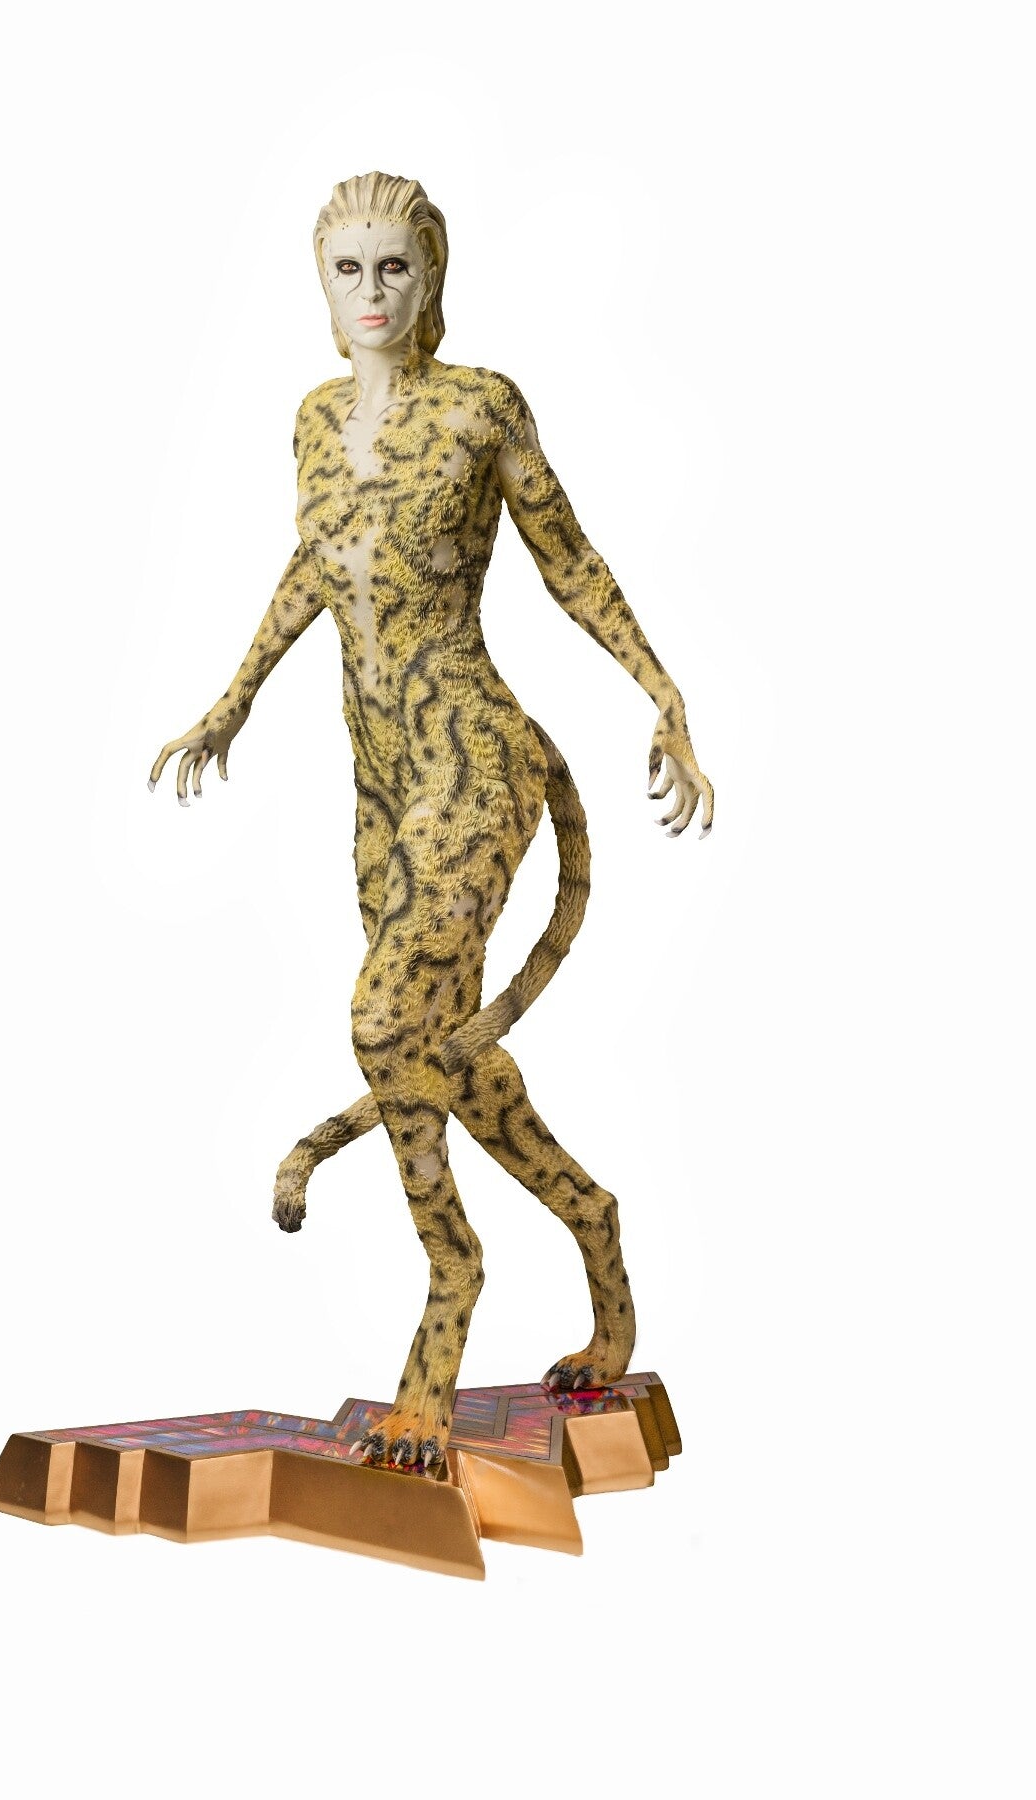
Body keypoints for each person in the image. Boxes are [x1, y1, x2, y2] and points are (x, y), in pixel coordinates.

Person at [150, 171, 713, 1474]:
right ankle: (592, 1223)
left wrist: (663, 694)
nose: (371, 293)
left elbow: (568, 555)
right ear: (319, 280)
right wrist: (232, 700)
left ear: (432, 276)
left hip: (475, 757)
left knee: (380, 1023)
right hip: (378, 774)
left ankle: (446, 1298)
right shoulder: (310, 420)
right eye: (347, 269)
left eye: (393, 267)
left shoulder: (478, 405)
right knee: (430, 1049)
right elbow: (315, 565)